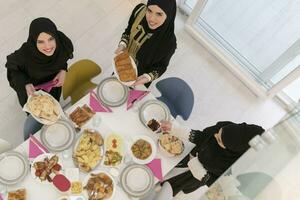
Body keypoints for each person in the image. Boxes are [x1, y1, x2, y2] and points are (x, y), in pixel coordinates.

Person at [5, 17, 74, 140]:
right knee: (36, 117)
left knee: (53, 107)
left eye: (50, 39)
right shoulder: (25, 55)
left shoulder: (62, 43)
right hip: (32, 91)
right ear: (33, 41)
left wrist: (63, 70)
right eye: (40, 41)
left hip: (53, 86)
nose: (47, 46)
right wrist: (25, 83)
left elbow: (62, 58)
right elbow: (13, 70)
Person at [159, 121, 265, 196]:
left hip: (197, 175)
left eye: (219, 140)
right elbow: (203, 137)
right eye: (218, 132)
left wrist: (198, 169)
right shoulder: (226, 127)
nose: (214, 135)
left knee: (171, 185)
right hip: (194, 154)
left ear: (231, 150)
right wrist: (174, 129)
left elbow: (216, 183)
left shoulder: (232, 168)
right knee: (167, 167)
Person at [115, 0, 177, 87]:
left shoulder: (169, 43)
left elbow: (162, 66)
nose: (151, 19)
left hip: (140, 79)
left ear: (169, 15)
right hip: (122, 65)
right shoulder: (139, 12)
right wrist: (123, 44)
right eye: (149, 11)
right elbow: (128, 30)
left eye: (159, 14)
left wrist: (147, 77)